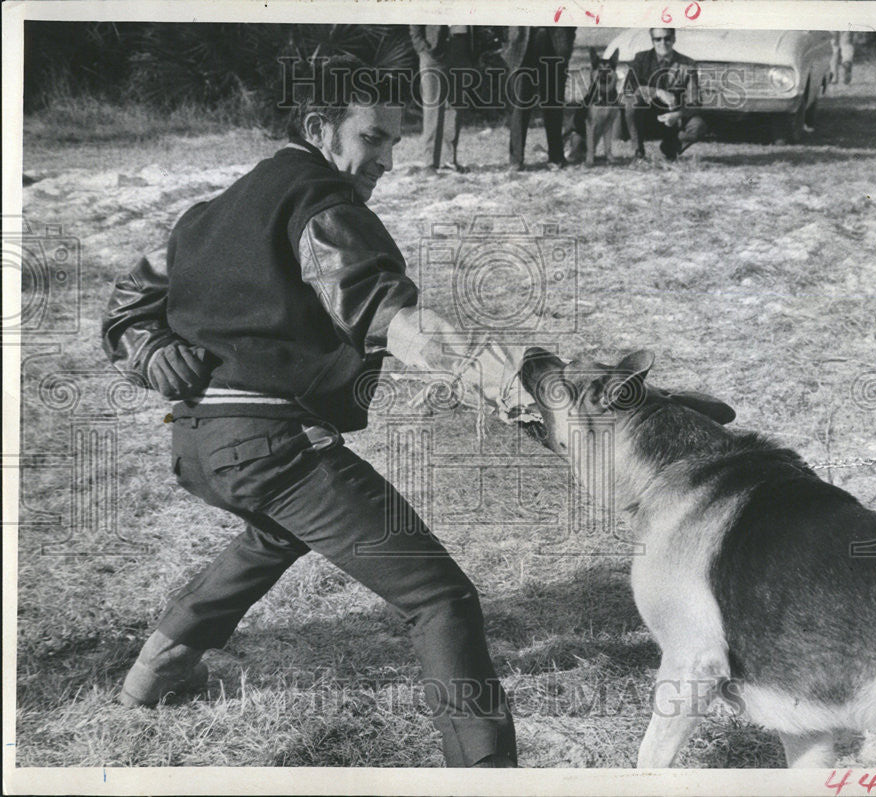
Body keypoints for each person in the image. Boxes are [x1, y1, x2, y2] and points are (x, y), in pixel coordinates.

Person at [101, 56, 519, 768]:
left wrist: (148, 350)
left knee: (276, 534)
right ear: (320, 127)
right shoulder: (322, 200)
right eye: (375, 137)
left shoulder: (206, 215)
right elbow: (367, 295)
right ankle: (486, 769)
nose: (389, 158)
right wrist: (469, 359)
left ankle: (159, 665)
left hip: (197, 446)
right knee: (440, 596)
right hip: (271, 447)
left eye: (395, 140)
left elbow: (123, 311)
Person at [624, 28, 706, 161]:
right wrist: (658, 92)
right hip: (646, 118)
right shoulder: (641, 59)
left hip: (673, 119)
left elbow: (695, 102)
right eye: (658, 39)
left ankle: (669, 148)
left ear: (674, 39)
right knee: (631, 102)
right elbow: (628, 89)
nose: (663, 43)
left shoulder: (688, 64)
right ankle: (638, 152)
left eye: (667, 38)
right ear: (652, 41)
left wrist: (677, 115)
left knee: (698, 125)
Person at [502, 26, 576, 171]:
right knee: (520, 102)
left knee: (553, 102)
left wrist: (568, 38)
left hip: (555, 41)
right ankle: (516, 160)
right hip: (523, 42)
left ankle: (556, 157)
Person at [409, 25, 473, 173]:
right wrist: (422, 47)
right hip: (433, 49)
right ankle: (430, 162)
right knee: (433, 105)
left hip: (460, 45)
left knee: (455, 105)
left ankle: (448, 159)